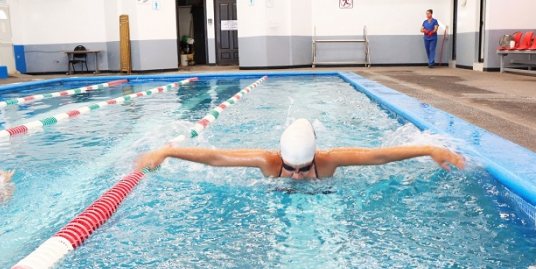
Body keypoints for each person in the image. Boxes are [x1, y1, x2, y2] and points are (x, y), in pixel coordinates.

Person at [135, 119, 465, 179]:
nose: (295, 177)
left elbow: (378, 156)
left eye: (303, 169)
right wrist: (166, 152)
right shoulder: (268, 162)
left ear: (313, 159)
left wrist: (427, 149)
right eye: (290, 169)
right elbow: (217, 158)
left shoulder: (328, 161)